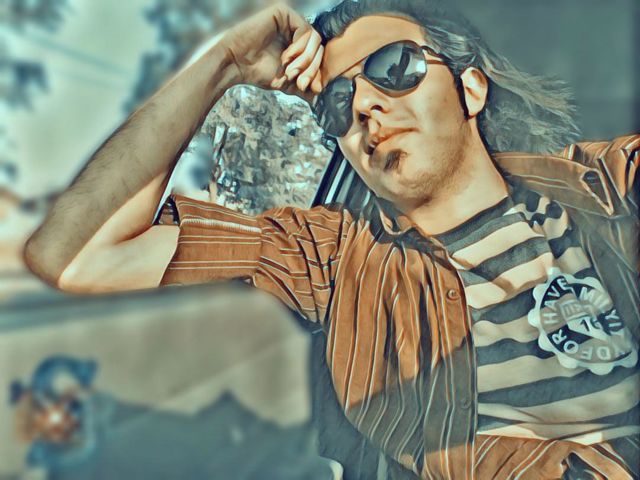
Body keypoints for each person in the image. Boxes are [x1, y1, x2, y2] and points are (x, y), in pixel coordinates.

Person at [24, 0, 639, 478]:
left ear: (470, 89)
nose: (365, 105)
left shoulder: (607, 184)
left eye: (394, 68)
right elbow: (76, 255)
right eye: (337, 104)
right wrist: (225, 65)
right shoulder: (333, 257)